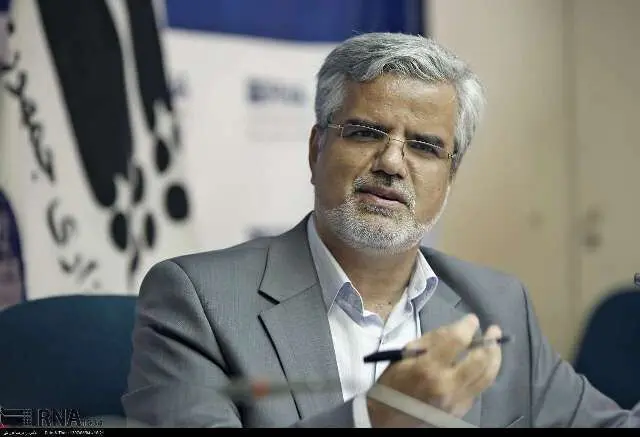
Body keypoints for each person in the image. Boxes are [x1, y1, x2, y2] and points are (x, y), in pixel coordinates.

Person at [122, 32, 640, 428]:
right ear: (316, 150)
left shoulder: (498, 305)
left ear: (450, 176)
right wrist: (373, 417)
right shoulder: (198, 300)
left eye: (425, 146)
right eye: (366, 133)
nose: (392, 163)